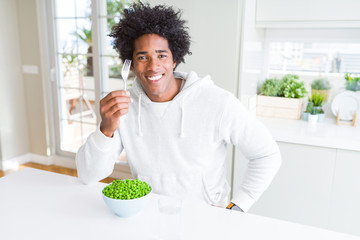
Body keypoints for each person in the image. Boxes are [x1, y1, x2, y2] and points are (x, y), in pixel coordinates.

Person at [76, 2, 281, 212]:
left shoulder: (218, 102)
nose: (153, 66)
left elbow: (266, 154)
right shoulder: (124, 108)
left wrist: (239, 205)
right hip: (147, 213)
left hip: (204, 217)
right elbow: (87, 175)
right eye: (142, 57)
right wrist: (106, 129)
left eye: (161, 55)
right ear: (132, 64)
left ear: (175, 59)